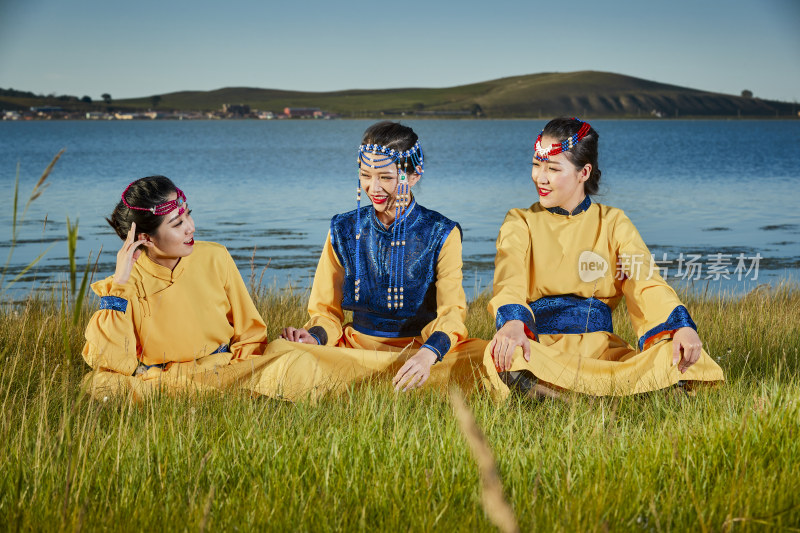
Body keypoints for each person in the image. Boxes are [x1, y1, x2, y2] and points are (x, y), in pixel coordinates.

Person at [485, 117, 724, 399]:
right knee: (503, 354)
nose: (540, 177)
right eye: (537, 165)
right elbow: (508, 276)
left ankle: (562, 398)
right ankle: (617, 398)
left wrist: (681, 327)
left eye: (552, 168)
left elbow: (645, 280)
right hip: (539, 348)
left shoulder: (613, 222)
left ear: (583, 172)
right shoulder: (520, 221)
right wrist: (513, 324)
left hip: (602, 352)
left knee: (682, 355)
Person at [274, 121, 486, 395]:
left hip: (420, 354)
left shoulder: (441, 232)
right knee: (281, 350)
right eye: (365, 175)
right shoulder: (343, 229)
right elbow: (325, 312)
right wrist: (314, 336)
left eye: (386, 177)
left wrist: (428, 354)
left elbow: (451, 314)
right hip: (354, 351)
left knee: (489, 355)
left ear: (414, 175)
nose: (373, 187)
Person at [81, 176, 317, 402]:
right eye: (177, 223)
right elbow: (112, 363)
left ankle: (229, 392)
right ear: (146, 238)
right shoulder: (124, 283)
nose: (190, 228)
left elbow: (250, 334)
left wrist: (243, 370)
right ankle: (236, 395)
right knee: (101, 384)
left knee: (293, 355)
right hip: (161, 384)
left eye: (188, 215)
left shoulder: (215, 256)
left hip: (227, 371)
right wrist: (120, 285)